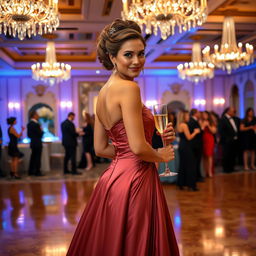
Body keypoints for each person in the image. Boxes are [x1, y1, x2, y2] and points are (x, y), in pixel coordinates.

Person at [67, 19, 179, 255]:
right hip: (137, 179)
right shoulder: (129, 89)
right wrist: (160, 154)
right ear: (112, 57)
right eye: (128, 55)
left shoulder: (102, 93)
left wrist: (153, 143)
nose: (137, 61)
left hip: (112, 180)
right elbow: (138, 148)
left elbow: (101, 148)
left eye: (141, 54)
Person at [176, 110, 200, 191]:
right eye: (187, 116)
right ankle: (191, 186)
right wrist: (195, 132)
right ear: (183, 116)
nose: (188, 117)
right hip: (186, 146)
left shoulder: (179, 125)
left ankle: (181, 184)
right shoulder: (184, 125)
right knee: (191, 165)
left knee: (183, 165)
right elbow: (189, 137)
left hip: (181, 146)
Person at [219, 106, 239, 173]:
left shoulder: (234, 119)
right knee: (226, 155)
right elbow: (221, 131)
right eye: (233, 111)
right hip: (226, 141)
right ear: (228, 111)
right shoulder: (223, 119)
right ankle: (226, 169)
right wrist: (227, 138)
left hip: (234, 140)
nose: (234, 112)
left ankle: (231, 168)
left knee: (232, 154)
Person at [188, 108, 204, 181]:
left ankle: (198, 176)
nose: (199, 114)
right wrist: (201, 129)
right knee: (196, 161)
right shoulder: (192, 121)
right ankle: (197, 177)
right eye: (198, 112)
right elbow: (196, 132)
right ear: (195, 113)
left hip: (197, 144)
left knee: (197, 161)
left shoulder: (195, 121)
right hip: (195, 144)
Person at [27, 111, 44, 176]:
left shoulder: (29, 124)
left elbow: (28, 135)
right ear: (34, 115)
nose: (38, 116)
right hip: (37, 143)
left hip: (32, 142)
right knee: (37, 158)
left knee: (33, 157)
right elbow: (40, 134)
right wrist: (41, 131)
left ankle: (31, 171)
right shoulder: (36, 124)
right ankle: (37, 171)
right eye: (37, 115)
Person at [201, 111, 217, 177]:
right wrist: (203, 125)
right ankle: (205, 171)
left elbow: (214, 131)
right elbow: (200, 130)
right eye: (203, 114)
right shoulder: (201, 121)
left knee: (209, 155)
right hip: (202, 139)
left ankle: (210, 171)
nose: (204, 115)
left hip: (209, 139)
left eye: (205, 114)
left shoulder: (211, 122)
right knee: (204, 156)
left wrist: (208, 126)